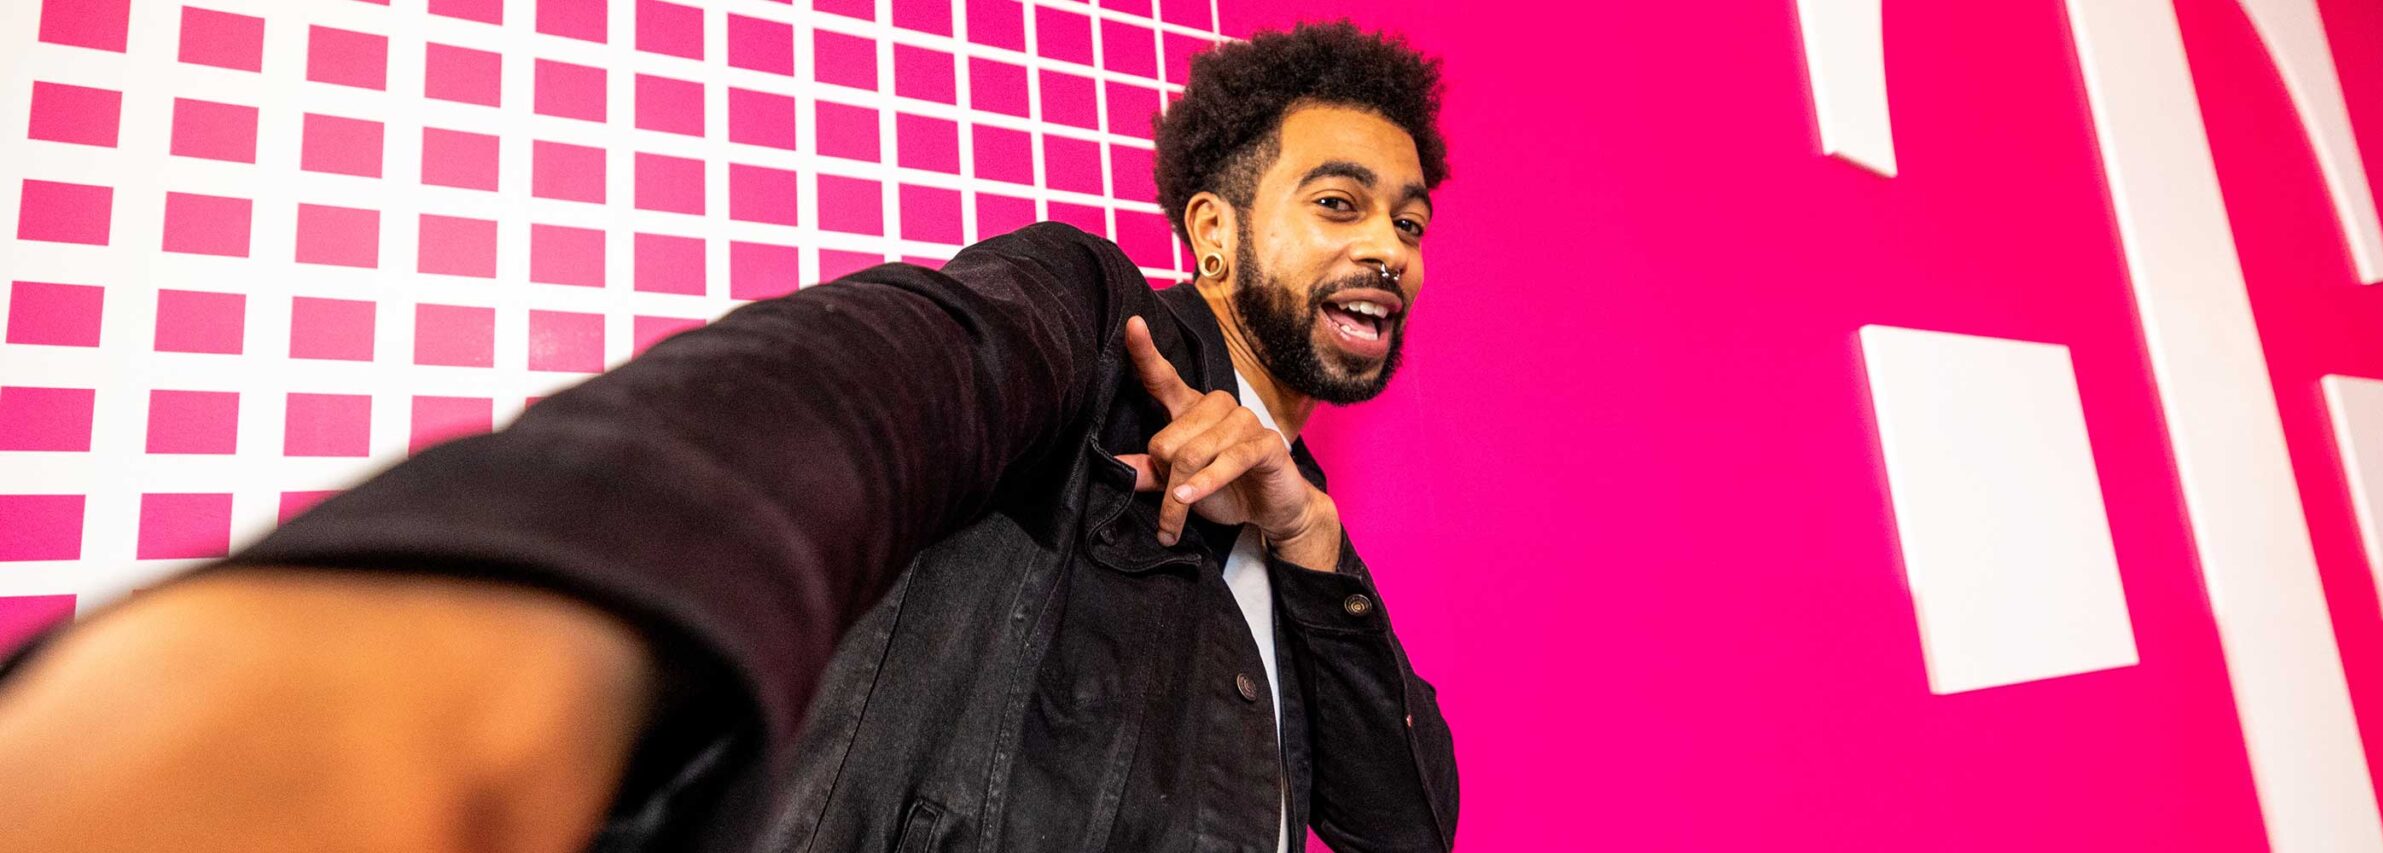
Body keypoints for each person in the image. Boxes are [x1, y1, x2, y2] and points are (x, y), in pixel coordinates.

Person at [0, 20, 1456, 853]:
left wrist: (1315, 543)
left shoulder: (1304, 522)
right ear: (1212, 232)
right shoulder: (1081, 319)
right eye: (1340, 204)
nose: (1388, 247)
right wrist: (505, 610)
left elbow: (1407, 829)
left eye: (1408, 220)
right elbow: (871, 380)